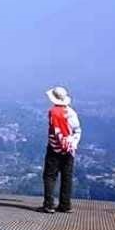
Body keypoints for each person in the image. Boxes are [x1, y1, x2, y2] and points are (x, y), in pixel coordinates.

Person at [38, 86, 81, 214]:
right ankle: (65, 204)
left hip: (54, 148)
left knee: (50, 176)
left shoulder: (53, 112)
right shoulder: (71, 113)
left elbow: (55, 130)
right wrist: (72, 144)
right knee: (67, 176)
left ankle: (49, 205)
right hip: (69, 149)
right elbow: (77, 130)